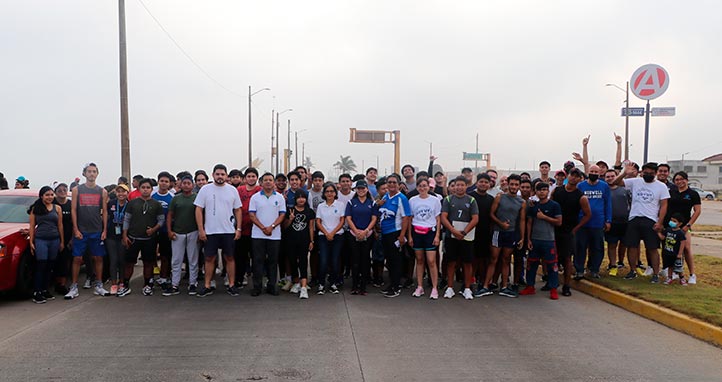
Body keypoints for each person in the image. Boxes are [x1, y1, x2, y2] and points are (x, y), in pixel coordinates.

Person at [614, 162, 669, 283]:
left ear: (655, 174)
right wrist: (624, 173)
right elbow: (615, 182)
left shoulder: (661, 186)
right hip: (634, 218)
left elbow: (664, 205)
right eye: (646, 173)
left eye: (651, 173)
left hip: (651, 220)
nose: (648, 175)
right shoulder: (635, 182)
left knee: (652, 248)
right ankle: (632, 271)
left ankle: (655, 274)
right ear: (641, 172)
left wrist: (660, 222)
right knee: (632, 246)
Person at [194, 164, 243, 297]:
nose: (220, 176)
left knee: (230, 257)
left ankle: (232, 284)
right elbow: (199, 209)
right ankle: (207, 285)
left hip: (228, 231)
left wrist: (238, 228)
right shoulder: (205, 189)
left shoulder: (232, 190)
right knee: (209, 258)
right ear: (213, 175)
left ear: (226, 176)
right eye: (217, 174)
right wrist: (201, 230)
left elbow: (238, 210)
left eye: (222, 174)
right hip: (210, 231)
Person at [64, 163, 109, 299]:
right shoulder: (77, 190)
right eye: (89, 171)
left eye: (94, 171)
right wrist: (75, 229)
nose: (91, 174)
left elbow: (105, 212)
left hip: (96, 230)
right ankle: (74, 287)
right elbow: (73, 209)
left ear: (97, 174)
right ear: (84, 173)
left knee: (98, 258)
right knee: (77, 258)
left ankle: (99, 285)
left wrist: (104, 230)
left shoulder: (102, 191)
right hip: (81, 231)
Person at [479, 174, 525, 298]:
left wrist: (522, 237)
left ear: (519, 186)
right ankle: (485, 286)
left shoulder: (522, 202)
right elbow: (491, 214)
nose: (514, 187)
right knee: (493, 259)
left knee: (506, 260)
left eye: (516, 184)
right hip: (497, 232)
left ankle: (504, 287)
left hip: (511, 234)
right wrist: (501, 224)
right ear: (508, 184)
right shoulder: (500, 197)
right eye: (512, 184)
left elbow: (521, 220)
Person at [121, 178, 164, 296]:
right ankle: (125, 285)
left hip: (149, 240)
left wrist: (153, 229)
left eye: (148, 188)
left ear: (151, 189)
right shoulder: (132, 203)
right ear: (139, 189)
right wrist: (124, 235)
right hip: (133, 238)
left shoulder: (156, 204)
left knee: (148, 263)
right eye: (143, 187)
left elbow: (161, 220)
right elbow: (127, 219)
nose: (145, 190)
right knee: (129, 263)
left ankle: (147, 285)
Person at [552, 168, 591, 296]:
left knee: (567, 259)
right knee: (552, 257)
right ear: (567, 176)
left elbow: (587, 215)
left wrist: (576, 228)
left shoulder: (581, 197)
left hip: (568, 231)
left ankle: (566, 286)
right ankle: (551, 283)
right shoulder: (557, 191)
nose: (574, 178)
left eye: (577, 176)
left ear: (580, 179)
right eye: (572, 175)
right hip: (554, 229)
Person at [520, 182, 562, 299]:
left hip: (549, 240)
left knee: (552, 265)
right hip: (535, 240)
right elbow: (529, 223)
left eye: (544, 190)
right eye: (539, 190)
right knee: (531, 264)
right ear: (536, 192)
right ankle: (530, 286)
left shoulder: (554, 205)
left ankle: (553, 288)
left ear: (548, 191)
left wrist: (545, 217)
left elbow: (559, 222)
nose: (542, 192)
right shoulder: (533, 206)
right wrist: (528, 239)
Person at [440, 176, 479, 300]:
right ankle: (450, 287)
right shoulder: (448, 199)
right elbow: (444, 217)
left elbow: (475, 218)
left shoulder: (471, 200)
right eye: (457, 185)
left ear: (466, 186)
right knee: (451, 262)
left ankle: (467, 288)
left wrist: (464, 232)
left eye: (462, 185)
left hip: (466, 235)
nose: (459, 187)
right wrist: (453, 231)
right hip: (452, 235)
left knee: (467, 262)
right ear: (453, 186)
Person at [248, 173, 286, 296]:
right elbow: (252, 215)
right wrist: (263, 227)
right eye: (266, 180)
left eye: (270, 180)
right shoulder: (255, 197)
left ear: (273, 182)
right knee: (257, 261)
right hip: (258, 234)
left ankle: (272, 285)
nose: (268, 182)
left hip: (274, 235)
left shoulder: (279, 197)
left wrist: (272, 227)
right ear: (261, 183)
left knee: (273, 261)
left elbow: (282, 215)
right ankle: (257, 286)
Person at [575, 165, 612, 279]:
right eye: (591, 171)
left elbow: (608, 204)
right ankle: (579, 270)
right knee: (580, 247)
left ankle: (594, 269)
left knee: (597, 247)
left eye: (596, 172)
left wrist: (608, 220)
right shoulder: (580, 186)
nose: (593, 173)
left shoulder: (604, 186)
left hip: (598, 222)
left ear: (599, 173)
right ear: (588, 172)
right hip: (582, 222)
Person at [165, 175, 199, 296]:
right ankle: (175, 285)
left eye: (188, 183)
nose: (186, 185)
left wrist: (201, 230)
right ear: (180, 184)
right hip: (177, 233)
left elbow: (201, 215)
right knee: (176, 260)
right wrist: (169, 231)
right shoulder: (176, 198)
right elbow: (169, 215)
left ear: (193, 185)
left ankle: (193, 283)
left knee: (193, 260)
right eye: (184, 183)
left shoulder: (197, 197)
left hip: (193, 232)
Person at [28, 186, 64, 303]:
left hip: (54, 240)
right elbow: (32, 226)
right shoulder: (35, 209)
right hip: (41, 240)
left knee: (50, 266)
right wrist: (31, 241)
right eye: (47, 195)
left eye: (51, 195)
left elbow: (60, 226)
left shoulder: (57, 208)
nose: (49, 197)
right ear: (41, 196)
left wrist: (62, 241)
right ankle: (37, 291)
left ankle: (45, 290)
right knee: (41, 265)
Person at [378, 174, 411, 297]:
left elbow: (406, 217)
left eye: (394, 182)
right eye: (389, 182)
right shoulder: (385, 196)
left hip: (395, 232)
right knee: (389, 261)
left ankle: (396, 287)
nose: (391, 185)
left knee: (396, 260)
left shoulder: (401, 198)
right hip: (385, 233)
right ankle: (391, 284)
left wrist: (402, 235)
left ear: (398, 184)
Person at [408, 178, 441, 299]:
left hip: (430, 232)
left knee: (431, 261)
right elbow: (410, 218)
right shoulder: (412, 200)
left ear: (429, 187)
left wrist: (437, 235)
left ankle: (434, 288)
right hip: (417, 232)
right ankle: (420, 286)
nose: (422, 188)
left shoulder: (435, 200)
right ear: (417, 188)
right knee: (419, 260)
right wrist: (409, 236)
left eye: (425, 186)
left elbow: (438, 219)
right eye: (420, 186)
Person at [665, 171, 701, 284]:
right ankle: (673, 273)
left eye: (682, 179)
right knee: (671, 248)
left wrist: (688, 225)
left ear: (687, 180)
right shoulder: (671, 192)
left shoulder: (693, 194)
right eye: (677, 180)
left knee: (686, 248)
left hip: (685, 226)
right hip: (671, 225)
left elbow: (697, 211)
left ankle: (692, 274)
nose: (679, 182)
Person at [345, 180, 379, 296]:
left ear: (367, 189)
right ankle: (354, 286)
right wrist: (356, 231)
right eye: (358, 188)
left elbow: (374, 218)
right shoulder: (351, 202)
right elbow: (348, 218)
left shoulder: (372, 203)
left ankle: (363, 286)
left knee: (365, 260)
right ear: (356, 190)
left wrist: (366, 231)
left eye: (363, 188)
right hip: (353, 234)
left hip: (367, 235)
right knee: (355, 260)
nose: (361, 190)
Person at [283, 190, 315, 299]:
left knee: (303, 261)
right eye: (299, 197)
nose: (301, 200)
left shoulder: (309, 211)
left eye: (303, 197)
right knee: (292, 261)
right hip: (291, 240)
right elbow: (285, 226)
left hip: (304, 240)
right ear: (295, 199)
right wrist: (290, 219)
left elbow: (311, 227)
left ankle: (304, 287)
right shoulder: (290, 210)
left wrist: (311, 241)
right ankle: (296, 282)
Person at [315, 182, 346, 295]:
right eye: (327, 191)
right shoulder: (320, 206)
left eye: (332, 191)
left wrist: (332, 233)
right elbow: (318, 221)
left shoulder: (340, 205)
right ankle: (321, 284)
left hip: (337, 236)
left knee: (335, 261)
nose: (329, 193)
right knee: (323, 261)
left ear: (335, 193)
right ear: (324, 193)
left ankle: (333, 283)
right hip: (323, 236)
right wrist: (326, 233)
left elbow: (342, 221)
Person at [236, 168, 261, 288]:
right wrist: (238, 228)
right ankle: (239, 279)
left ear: (257, 178)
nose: (251, 178)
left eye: (253, 176)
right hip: (242, 228)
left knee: (257, 257)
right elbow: (236, 208)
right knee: (240, 256)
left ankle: (257, 282)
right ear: (245, 178)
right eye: (249, 176)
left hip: (257, 230)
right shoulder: (239, 190)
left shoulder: (260, 190)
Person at [152, 171, 174, 290]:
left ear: (169, 183)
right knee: (151, 255)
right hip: (153, 231)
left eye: (166, 181)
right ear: (158, 182)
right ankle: (149, 278)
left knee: (165, 256)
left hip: (166, 231)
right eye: (162, 181)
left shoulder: (172, 197)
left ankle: (164, 277)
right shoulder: (152, 195)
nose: (164, 183)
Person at [105, 184, 129, 295]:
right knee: (113, 260)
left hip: (123, 236)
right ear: (116, 193)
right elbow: (105, 217)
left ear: (127, 193)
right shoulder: (111, 203)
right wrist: (104, 231)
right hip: (111, 235)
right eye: (119, 191)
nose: (121, 194)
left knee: (122, 260)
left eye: (123, 191)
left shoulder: (130, 205)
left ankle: (122, 282)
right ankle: (114, 283)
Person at [52, 183, 73, 295]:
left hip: (68, 237)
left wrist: (72, 239)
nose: (62, 191)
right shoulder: (51, 203)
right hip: (54, 236)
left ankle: (62, 284)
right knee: (55, 260)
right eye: (59, 190)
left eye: (64, 189)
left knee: (65, 261)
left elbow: (75, 222)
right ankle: (55, 283)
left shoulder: (70, 204)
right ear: (55, 192)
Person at [658, 213, 688, 286]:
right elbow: (663, 238)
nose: (672, 222)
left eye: (674, 221)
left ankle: (682, 278)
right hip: (668, 252)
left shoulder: (680, 233)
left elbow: (683, 242)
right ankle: (669, 277)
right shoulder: (668, 230)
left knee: (678, 267)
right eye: (671, 220)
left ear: (680, 223)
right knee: (670, 266)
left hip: (676, 253)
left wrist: (680, 253)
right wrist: (658, 232)